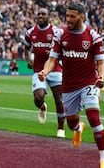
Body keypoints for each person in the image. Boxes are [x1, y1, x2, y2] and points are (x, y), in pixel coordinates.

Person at [38, 3, 104, 168]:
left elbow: (101, 63)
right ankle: (78, 129)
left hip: (89, 83)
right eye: (67, 16)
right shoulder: (61, 35)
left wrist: (101, 76)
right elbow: (52, 59)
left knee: (93, 117)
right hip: (69, 86)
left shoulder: (93, 36)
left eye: (72, 16)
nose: (68, 19)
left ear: (82, 17)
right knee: (71, 123)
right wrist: (45, 72)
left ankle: (103, 159)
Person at [24, 8, 65, 138]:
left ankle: (60, 128)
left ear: (49, 16)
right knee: (38, 97)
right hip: (38, 70)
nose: (40, 16)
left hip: (55, 69)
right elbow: (26, 48)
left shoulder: (56, 31)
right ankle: (42, 107)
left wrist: (54, 53)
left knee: (59, 99)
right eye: (39, 14)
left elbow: (64, 48)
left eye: (43, 14)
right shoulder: (30, 32)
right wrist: (28, 59)